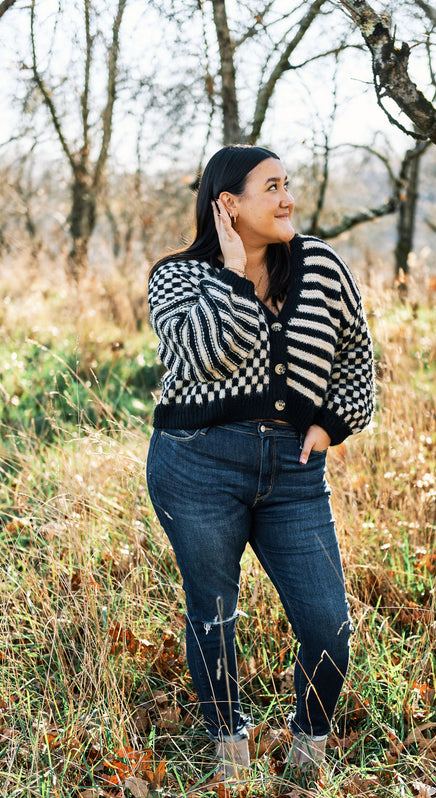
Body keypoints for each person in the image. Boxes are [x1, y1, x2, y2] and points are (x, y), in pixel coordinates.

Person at [146, 144, 374, 782]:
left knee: (329, 624)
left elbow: (355, 354)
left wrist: (332, 424)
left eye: (287, 184)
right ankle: (229, 742)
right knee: (214, 613)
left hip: (295, 474)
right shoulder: (178, 277)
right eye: (271, 186)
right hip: (198, 467)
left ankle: (309, 747)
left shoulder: (321, 265)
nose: (287, 198)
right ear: (228, 204)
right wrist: (232, 275)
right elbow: (207, 358)